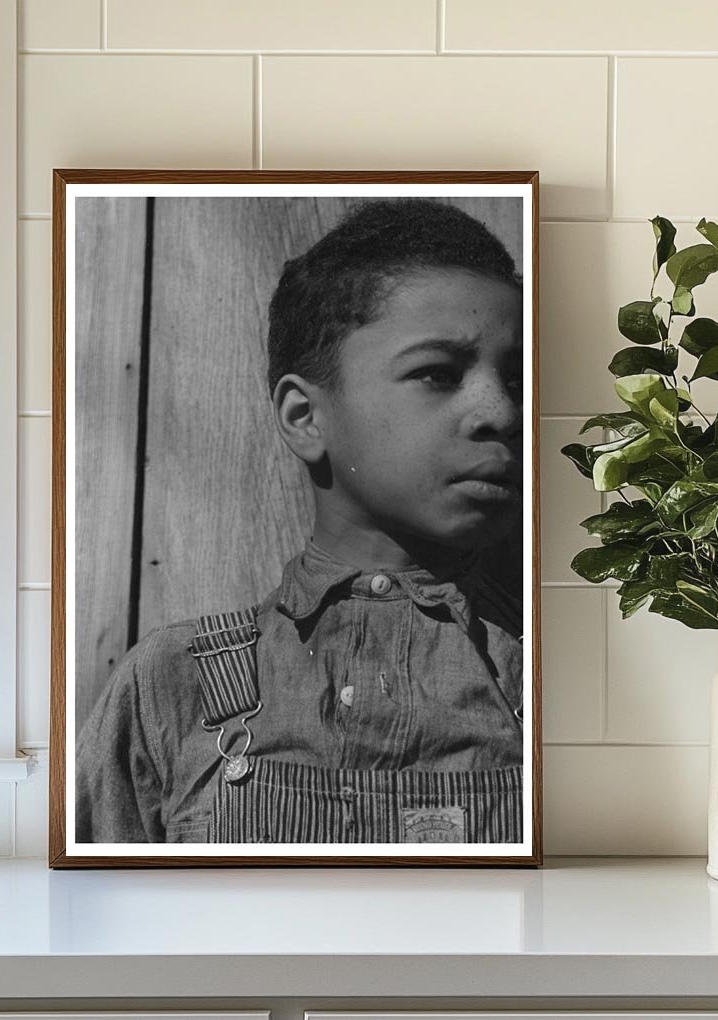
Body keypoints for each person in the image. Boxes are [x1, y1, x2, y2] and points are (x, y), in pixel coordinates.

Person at [75, 198, 525, 845]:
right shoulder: (172, 685)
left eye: (514, 379)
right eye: (437, 373)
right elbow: (88, 931)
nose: (499, 412)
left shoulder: (546, 684)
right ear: (304, 417)